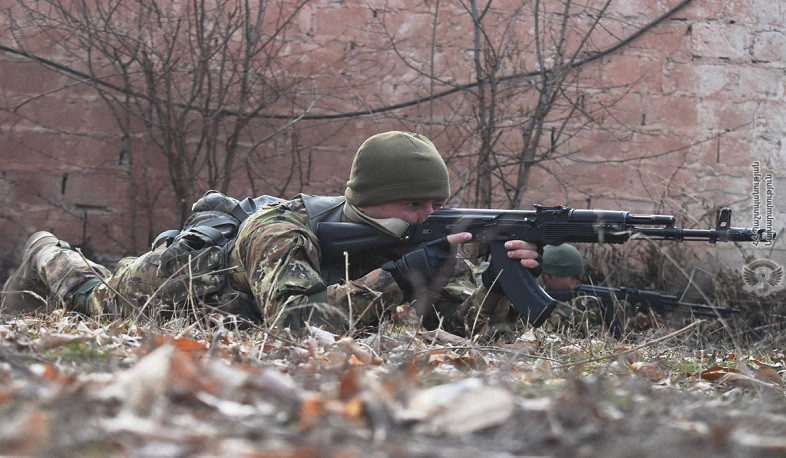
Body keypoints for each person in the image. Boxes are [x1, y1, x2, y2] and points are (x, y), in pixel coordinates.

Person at [1, 131, 540, 338]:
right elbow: (298, 324)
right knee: (88, 294)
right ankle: (41, 248)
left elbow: (468, 326)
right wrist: (402, 276)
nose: (426, 216)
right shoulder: (281, 228)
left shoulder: (404, 239)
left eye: (435, 205)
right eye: (412, 203)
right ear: (366, 198)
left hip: (229, 311)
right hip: (163, 288)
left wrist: (503, 283)